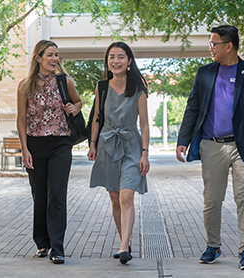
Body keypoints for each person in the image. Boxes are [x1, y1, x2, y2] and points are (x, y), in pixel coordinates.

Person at [175, 25, 244, 270]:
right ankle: (213, 245)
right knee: (212, 199)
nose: (210, 48)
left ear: (229, 46)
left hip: (243, 147)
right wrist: (182, 140)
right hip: (212, 146)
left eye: (214, 44)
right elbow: (192, 108)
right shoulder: (204, 73)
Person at [16, 40, 82, 265]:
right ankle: (42, 242)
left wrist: (75, 107)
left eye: (56, 55)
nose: (54, 59)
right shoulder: (25, 85)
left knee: (56, 194)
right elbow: (21, 118)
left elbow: (78, 102)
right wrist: (24, 149)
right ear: (38, 58)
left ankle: (57, 247)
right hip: (35, 145)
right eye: (50, 55)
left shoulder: (65, 81)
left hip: (61, 144)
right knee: (40, 195)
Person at [88, 42, 150, 265]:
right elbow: (97, 117)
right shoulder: (101, 86)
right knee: (114, 199)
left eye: (121, 57)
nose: (116, 61)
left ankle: (124, 246)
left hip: (131, 145)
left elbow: (144, 124)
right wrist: (92, 144)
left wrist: (145, 153)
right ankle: (124, 240)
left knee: (126, 196)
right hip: (107, 144)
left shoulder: (139, 89)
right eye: (112, 57)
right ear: (107, 61)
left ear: (129, 61)